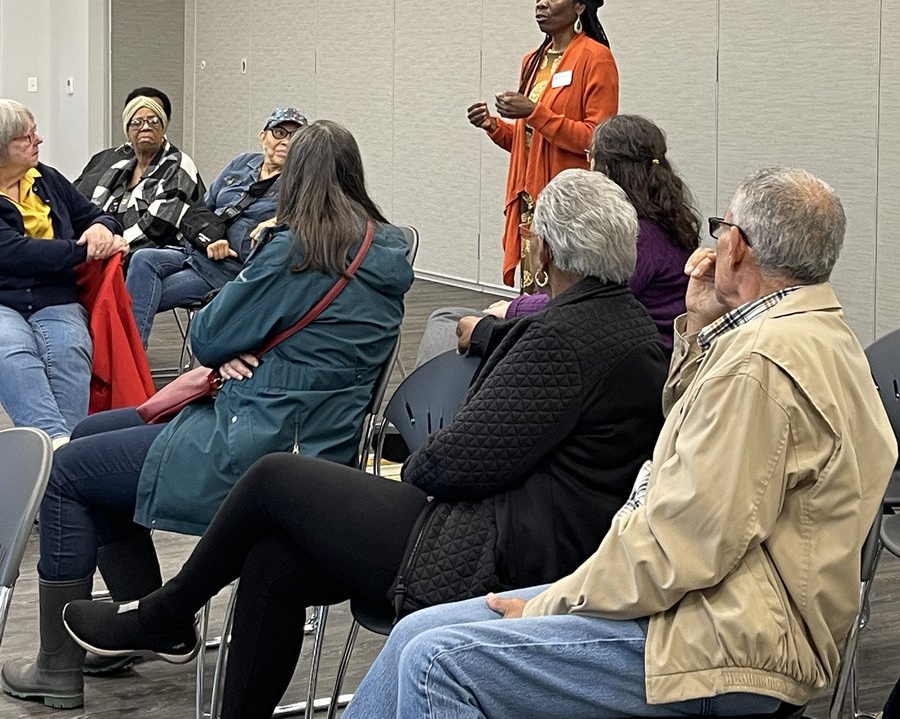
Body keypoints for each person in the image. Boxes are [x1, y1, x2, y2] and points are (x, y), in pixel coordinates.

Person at [60, 170, 668, 719]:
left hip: (497, 549)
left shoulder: (563, 339)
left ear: (548, 247)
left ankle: (163, 613)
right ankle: (173, 629)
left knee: (275, 478)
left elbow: (447, 467)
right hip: (537, 536)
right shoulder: (627, 325)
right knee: (272, 563)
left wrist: (422, 456)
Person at [338, 167, 898, 719]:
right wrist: (699, 324)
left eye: (720, 229)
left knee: (437, 662)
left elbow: (683, 547)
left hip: (724, 642)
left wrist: (549, 602)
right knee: (417, 631)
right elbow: (694, 457)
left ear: (737, 248)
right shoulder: (822, 336)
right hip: (731, 611)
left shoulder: (757, 367)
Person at [1, 120, 412, 711]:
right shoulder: (386, 249)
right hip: (320, 441)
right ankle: (144, 622)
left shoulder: (297, 249)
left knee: (69, 472)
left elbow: (213, 334)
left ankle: (59, 666)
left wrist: (249, 339)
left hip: (253, 441)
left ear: (295, 179)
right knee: (91, 435)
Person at [418, 114, 699, 363]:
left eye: (590, 155)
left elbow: (585, 302)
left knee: (449, 322)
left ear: (607, 169)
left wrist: (513, 309)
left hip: (618, 356)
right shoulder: (662, 222)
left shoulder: (638, 236)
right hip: (623, 345)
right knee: (456, 319)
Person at [468, 0, 618, 289]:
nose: (541, 3)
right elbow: (531, 144)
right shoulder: (532, 61)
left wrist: (534, 112)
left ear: (579, 5)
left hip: (567, 202)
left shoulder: (595, 57)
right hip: (529, 199)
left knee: (556, 291)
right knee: (531, 289)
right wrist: (493, 125)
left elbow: (596, 140)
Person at [0, 99, 129, 447]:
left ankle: (60, 452)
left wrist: (102, 228)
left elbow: (94, 214)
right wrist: (83, 250)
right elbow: (13, 252)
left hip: (56, 296)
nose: (38, 140)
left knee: (72, 349)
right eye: (26, 137)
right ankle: (60, 445)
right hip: (4, 299)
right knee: (10, 349)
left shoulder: (46, 179)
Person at [125, 106, 307, 345]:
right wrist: (212, 239)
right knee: (143, 258)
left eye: (296, 137)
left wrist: (280, 221)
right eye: (279, 133)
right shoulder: (242, 163)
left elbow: (313, 219)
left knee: (136, 298)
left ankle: (129, 360)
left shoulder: (302, 183)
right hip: (195, 251)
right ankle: (129, 359)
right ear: (263, 136)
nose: (286, 142)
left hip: (225, 272)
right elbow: (199, 210)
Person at [74, 89, 202, 253]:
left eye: (154, 121)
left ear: (164, 127)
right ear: (128, 132)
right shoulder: (119, 168)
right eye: (137, 122)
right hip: (111, 251)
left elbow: (157, 229)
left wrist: (111, 245)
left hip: (156, 255)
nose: (146, 127)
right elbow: (95, 210)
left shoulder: (178, 165)